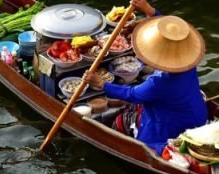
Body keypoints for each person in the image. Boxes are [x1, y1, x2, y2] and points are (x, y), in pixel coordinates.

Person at [83, 10, 208, 154]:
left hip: (172, 127)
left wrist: (101, 84)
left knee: (121, 120)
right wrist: (148, 9)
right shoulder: (189, 63)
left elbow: (132, 94)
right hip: (197, 115)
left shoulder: (159, 83)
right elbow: (166, 27)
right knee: (133, 106)